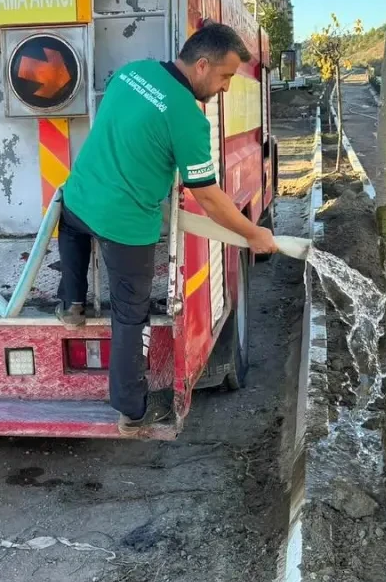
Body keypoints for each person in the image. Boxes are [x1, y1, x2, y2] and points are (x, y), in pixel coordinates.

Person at [57, 22, 278, 435]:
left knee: (68, 225)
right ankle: (133, 411)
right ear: (202, 65)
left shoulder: (131, 73)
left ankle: (71, 303)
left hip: (80, 200)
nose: (227, 88)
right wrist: (253, 233)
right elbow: (209, 198)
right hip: (126, 226)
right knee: (129, 316)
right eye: (226, 76)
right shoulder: (190, 121)